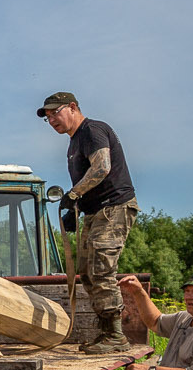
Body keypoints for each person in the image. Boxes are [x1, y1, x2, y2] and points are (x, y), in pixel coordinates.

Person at [39, 91, 138, 354]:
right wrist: (76, 207)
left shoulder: (92, 130)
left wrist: (74, 195)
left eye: (55, 113)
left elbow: (102, 167)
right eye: (47, 118)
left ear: (72, 107)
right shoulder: (73, 143)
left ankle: (116, 336)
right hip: (95, 211)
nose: (51, 121)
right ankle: (106, 333)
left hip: (113, 207)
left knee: (100, 267)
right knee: (87, 271)